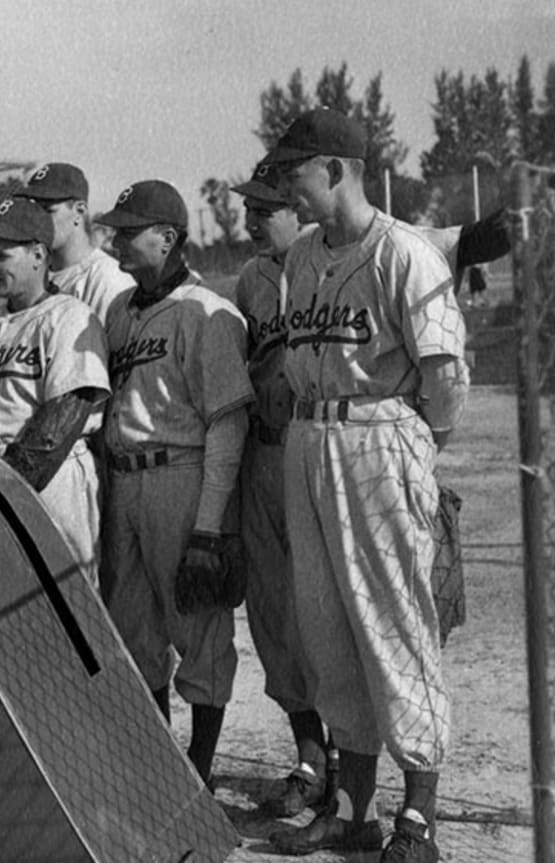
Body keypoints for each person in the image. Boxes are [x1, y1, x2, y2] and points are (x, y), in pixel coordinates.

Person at [266, 109, 468, 862]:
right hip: (310, 439)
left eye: (298, 173)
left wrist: (417, 445)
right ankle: (353, 810)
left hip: (380, 434)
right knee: (327, 629)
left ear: (337, 170)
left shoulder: (404, 252)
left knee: (394, 621)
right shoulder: (300, 260)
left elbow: (446, 379)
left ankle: (418, 820)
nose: (291, 188)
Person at [96, 180, 251, 786]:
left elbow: (227, 423)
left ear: (168, 238)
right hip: (124, 479)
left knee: (200, 628)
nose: (116, 242)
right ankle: (163, 771)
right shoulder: (119, 311)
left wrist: (209, 528)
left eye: (129, 231)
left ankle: (202, 770)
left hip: (181, 476)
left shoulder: (208, 313)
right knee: (134, 630)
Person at [228, 160, 333, 818]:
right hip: (265, 454)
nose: (250, 221)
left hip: (320, 447)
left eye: (263, 209)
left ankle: (350, 769)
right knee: (272, 614)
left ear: (300, 207)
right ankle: (308, 754)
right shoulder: (249, 279)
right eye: (248, 208)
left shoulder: (333, 262)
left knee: (329, 608)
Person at [0, 196, 109, 580]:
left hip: (52, 480)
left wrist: (3, 490)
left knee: (65, 599)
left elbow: (61, 420)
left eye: (1, 256)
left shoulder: (68, 317)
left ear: (37, 254)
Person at [14, 161, 134, 322]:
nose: (37, 220)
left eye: (48, 211)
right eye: (34, 211)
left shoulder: (106, 278)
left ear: (79, 211)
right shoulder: (33, 276)